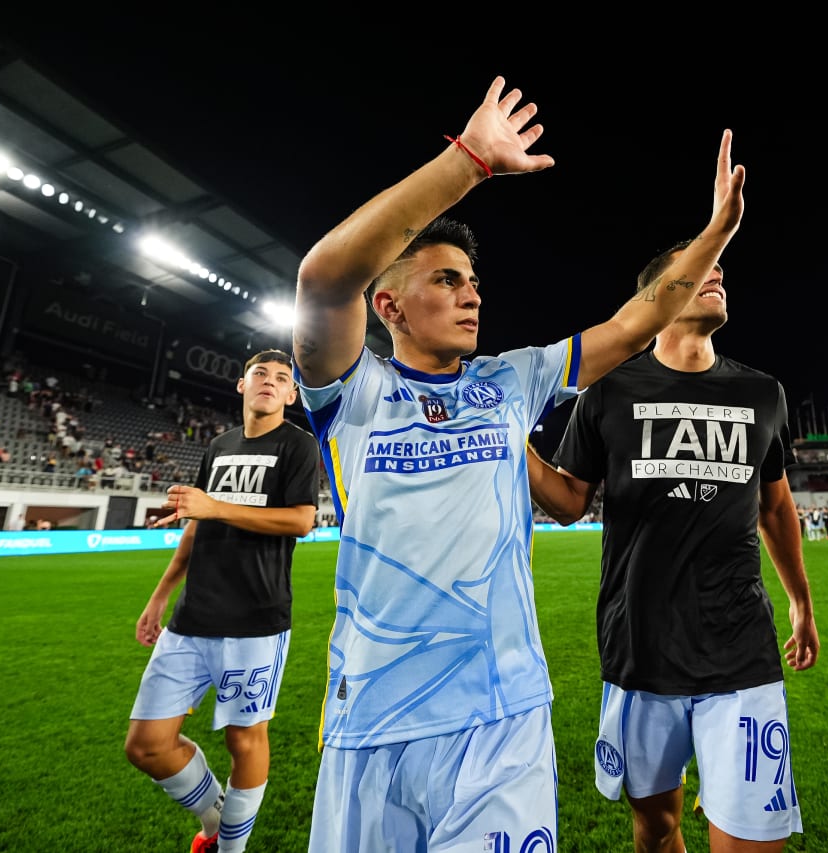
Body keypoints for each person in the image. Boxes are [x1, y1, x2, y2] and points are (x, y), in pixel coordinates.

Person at [290, 76, 745, 852]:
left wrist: (715, 236)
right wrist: (468, 161)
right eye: (446, 280)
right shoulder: (352, 393)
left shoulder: (510, 381)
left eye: (473, 282)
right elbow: (325, 278)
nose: (471, 296)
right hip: (371, 717)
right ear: (389, 307)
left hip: (502, 715)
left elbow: (634, 323)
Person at [525, 241, 819, 851]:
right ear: (656, 295)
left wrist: (801, 602)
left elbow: (776, 505)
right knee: (656, 828)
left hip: (741, 648)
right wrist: (508, 434)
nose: (715, 276)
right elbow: (569, 500)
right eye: (698, 270)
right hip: (640, 648)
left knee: (751, 836)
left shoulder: (763, 392)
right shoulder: (607, 389)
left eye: (720, 271)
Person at [124, 349, 320, 853]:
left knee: (244, 740)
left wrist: (215, 506)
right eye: (261, 374)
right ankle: (217, 816)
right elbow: (197, 522)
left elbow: (301, 520)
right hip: (192, 619)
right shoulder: (219, 445)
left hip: (255, 620)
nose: (270, 383)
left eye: (282, 378)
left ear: (292, 394)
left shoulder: (298, 445)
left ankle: (230, 848)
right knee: (146, 745)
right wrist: (160, 595)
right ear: (241, 384)